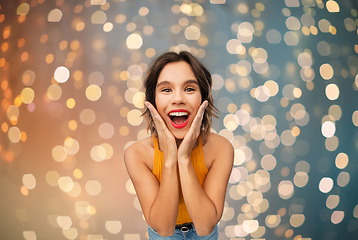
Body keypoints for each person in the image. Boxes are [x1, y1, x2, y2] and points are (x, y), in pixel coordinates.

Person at [124, 51, 234, 239]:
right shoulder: (136, 154)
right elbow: (164, 229)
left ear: (203, 99)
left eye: (189, 89)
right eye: (166, 90)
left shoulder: (221, 148)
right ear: (152, 101)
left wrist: (183, 159)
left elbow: (205, 226)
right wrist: (169, 160)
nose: (178, 99)